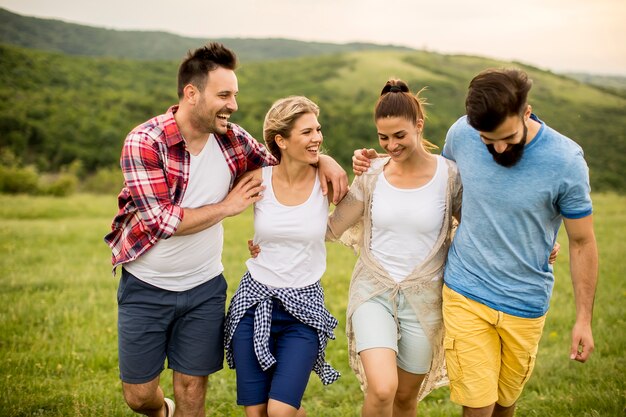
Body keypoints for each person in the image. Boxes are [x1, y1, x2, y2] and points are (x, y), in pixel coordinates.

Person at [104, 43, 347, 417]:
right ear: (191, 94)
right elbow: (162, 221)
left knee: (191, 389)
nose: (233, 105)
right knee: (138, 396)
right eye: (223, 95)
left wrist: (324, 158)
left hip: (204, 287)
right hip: (147, 285)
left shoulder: (232, 139)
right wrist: (228, 207)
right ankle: (160, 410)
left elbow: (286, 161)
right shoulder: (145, 141)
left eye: (234, 94)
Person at [353, 68, 598, 417]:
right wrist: (372, 164)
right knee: (478, 405)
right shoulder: (463, 133)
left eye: (507, 137)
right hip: (465, 291)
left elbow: (582, 241)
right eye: (488, 139)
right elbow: (434, 183)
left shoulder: (566, 161)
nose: (498, 148)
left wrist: (583, 319)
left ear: (526, 112)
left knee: (504, 403)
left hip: (525, 300)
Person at [325, 79, 463, 417]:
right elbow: (331, 226)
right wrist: (319, 166)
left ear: (418, 126)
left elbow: (478, 226)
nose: (391, 145)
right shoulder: (371, 174)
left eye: (399, 136)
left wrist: (537, 245)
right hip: (373, 292)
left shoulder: (449, 177)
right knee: (383, 387)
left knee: (404, 398)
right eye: (383, 138)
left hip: (424, 300)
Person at [224, 96, 340, 417]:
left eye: (318, 129)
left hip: (303, 309)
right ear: (281, 141)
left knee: (280, 411)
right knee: (257, 412)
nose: (317, 137)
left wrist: (328, 161)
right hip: (254, 302)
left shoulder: (327, 182)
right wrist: (260, 242)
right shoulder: (257, 179)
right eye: (306, 132)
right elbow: (215, 202)